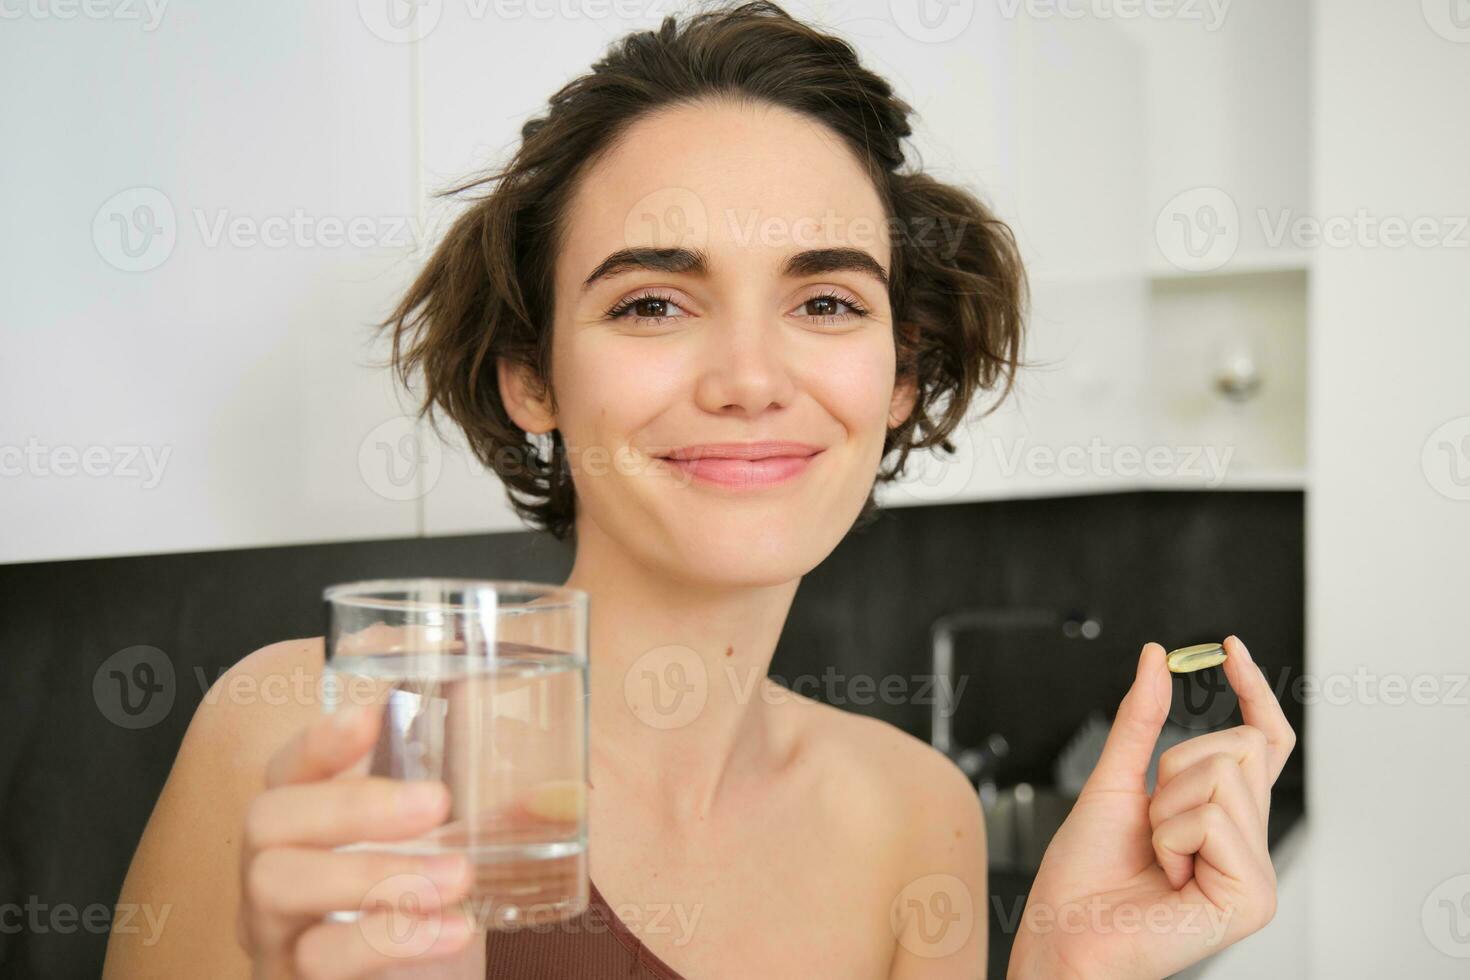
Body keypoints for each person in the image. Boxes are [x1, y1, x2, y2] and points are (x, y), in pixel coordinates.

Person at [103, 3, 1295, 977]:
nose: (748, 378)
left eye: (825, 300)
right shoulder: (329, 733)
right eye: (652, 303)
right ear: (533, 376)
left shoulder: (914, 813)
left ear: (899, 375)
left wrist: (1064, 973)